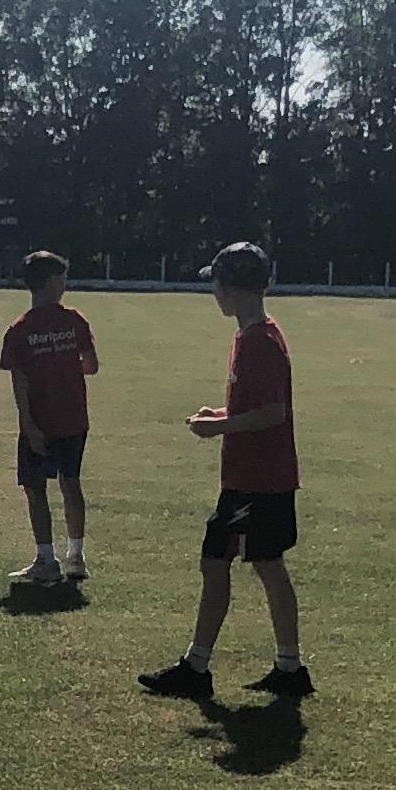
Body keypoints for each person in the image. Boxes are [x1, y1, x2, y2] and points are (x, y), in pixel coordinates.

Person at [140, 241, 310, 699]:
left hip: (257, 480)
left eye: (216, 283)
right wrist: (220, 414)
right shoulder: (252, 335)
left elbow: (273, 412)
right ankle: (288, 668)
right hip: (255, 476)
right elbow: (257, 406)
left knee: (222, 561)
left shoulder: (260, 342)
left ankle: (198, 668)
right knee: (262, 565)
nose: (213, 292)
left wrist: (219, 427)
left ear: (232, 287)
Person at [0, 248, 98, 585]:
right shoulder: (74, 320)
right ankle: (76, 556)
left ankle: (46, 558)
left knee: (35, 488)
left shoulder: (19, 330)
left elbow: (19, 381)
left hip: (40, 421)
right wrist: (64, 364)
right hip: (74, 419)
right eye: (63, 278)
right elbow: (91, 365)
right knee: (71, 483)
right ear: (53, 281)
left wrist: (28, 424)